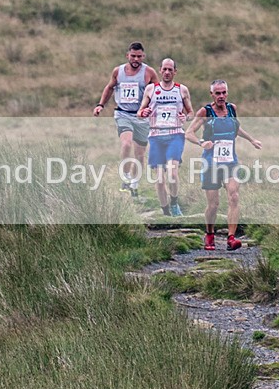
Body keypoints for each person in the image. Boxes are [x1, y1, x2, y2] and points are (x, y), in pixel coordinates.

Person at [185, 80, 262, 250]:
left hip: (230, 162)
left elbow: (236, 128)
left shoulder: (232, 109)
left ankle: (231, 238)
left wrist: (251, 140)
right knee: (213, 205)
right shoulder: (206, 112)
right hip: (211, 163)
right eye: (217, 93)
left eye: (224, 92)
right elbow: (188, 133)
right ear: (211, 94)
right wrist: (201, 143)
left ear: (227, 92)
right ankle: (209, 234)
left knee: (234, 196)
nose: (221, 96)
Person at [93, 42, 158, 197]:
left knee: (139, 154)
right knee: (126, 143)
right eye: (133, 56)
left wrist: (154, 111)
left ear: (143, 56)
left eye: (139, 56)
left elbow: (158, 93)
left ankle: (134, 184)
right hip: (123, 114)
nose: (136, 59)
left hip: (141, 117)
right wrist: (101, 105)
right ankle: (126, 176)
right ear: (127, 55)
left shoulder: (149, 72)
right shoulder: (118, 71)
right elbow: (109, 87)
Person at [137, 58, 193, 216]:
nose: (167, 72)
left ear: (175, 72)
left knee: (173, 173)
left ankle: (174, 203)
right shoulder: (151, 89)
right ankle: (166, 212)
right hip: (156, 136)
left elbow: (190, 112)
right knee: (160, 179)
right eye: (165, 69)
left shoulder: (182, 90)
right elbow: (139, 113)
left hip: (175, 135)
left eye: (170, 69)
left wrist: (185, 117)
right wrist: (143, 112)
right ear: (160, 70)